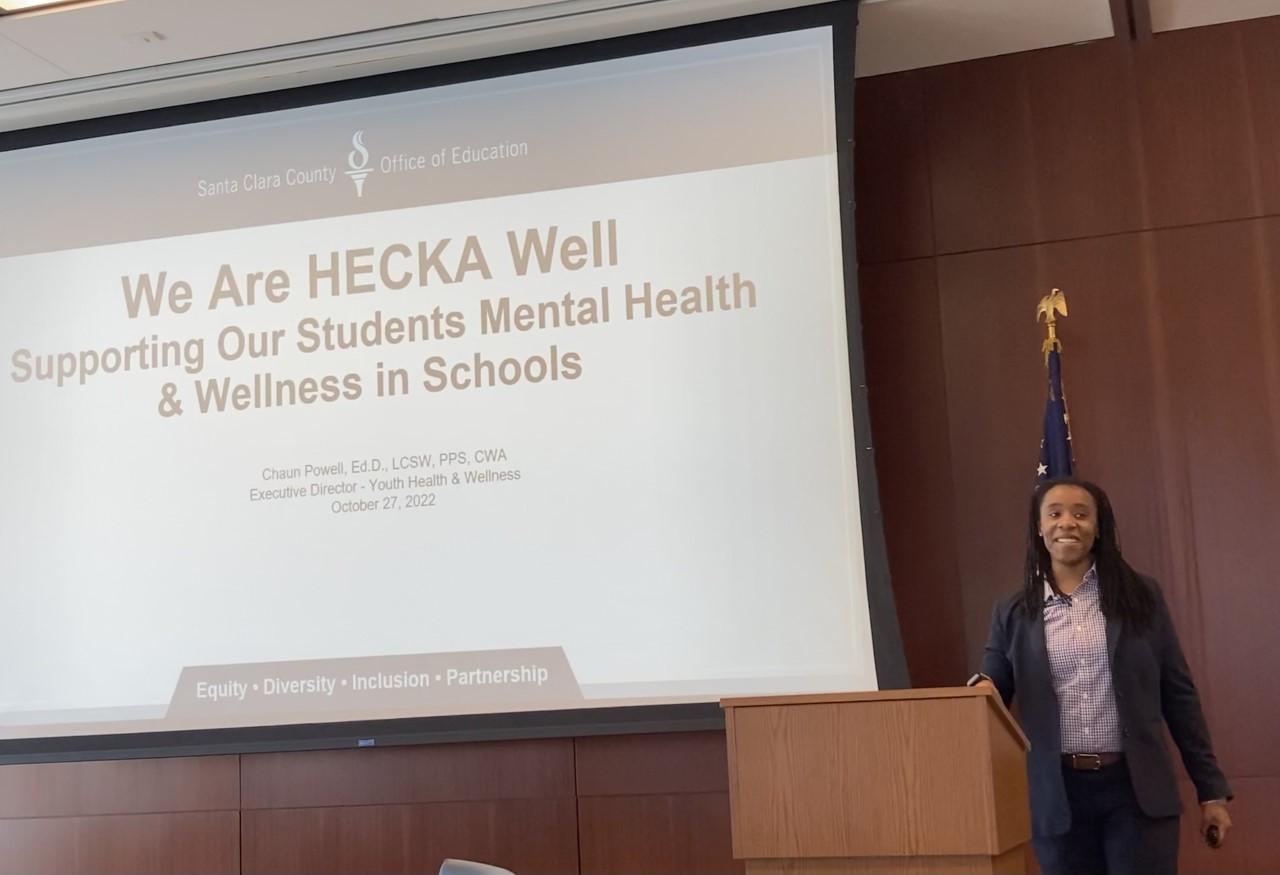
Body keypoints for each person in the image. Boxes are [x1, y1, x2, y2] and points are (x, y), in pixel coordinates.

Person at [970, 477, 1233, 875]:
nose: (1067, 523)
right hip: (1058, 795)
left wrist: (1210, 790)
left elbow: (1179, 695)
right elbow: (991, 685)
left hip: (1136, 790)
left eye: (1081, 514)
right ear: (1039, 527)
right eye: (1055, 514)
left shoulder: (1141, 597)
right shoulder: (1013, 612)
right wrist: (981, 688)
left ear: (1098, 527)